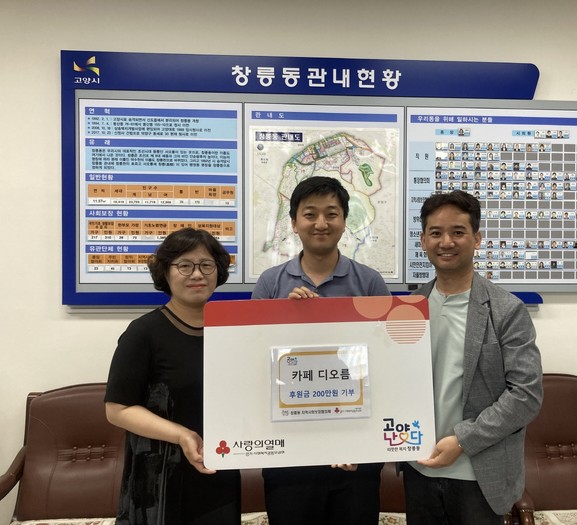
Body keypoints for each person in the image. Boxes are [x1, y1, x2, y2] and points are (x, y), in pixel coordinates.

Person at [252, 176, 390, 525]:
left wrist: (364, 443)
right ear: (294, 222)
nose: (321, 223)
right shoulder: (270, 283)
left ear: (344, 220)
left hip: (355, 454)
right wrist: (284, 316)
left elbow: (388, 366)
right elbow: (254, 363)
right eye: (310, 214)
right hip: (289, 454)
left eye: (331, 213)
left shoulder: (370, 282)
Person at [404, 190, 543, 524]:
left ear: (477, 239)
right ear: (423, 241)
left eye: (458, 232)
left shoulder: (506, 310)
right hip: (419, 468)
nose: (446, 242)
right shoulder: (408, 309)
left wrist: (464, 440)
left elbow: (526, 395)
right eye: (436, 233)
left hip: (478, 473)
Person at [105, 228, 240, 524]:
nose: (197, 274)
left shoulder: (230, 333)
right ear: (165, 272)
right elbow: (117, 409)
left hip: (219, 471)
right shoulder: (143, 333)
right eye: (184, 265)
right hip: (159, 480)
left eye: (206, 265)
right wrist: (181, 435)